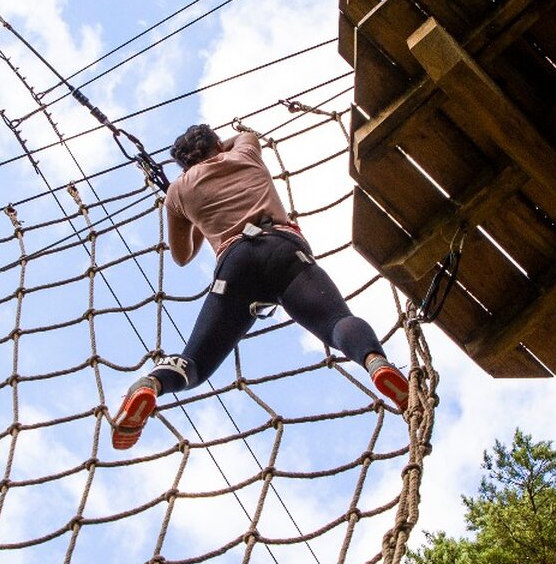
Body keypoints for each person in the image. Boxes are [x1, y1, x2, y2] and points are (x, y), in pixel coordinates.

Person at [109, 123, 408, 450]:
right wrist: (221, 146)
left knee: (195, 363)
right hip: (283, 249)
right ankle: (374, 363)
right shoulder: (245, 150)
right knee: (336, 321)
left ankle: (151, 385)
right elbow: (245, 135)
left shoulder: (178, 192)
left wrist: (196, 217)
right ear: (216, 144)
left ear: (183, 163)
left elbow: (182, 256)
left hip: (235, 266)